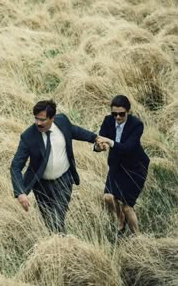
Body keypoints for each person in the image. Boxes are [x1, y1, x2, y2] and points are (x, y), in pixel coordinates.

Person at [10, 99, 98, 234]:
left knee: (57, 219)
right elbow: (16, 165)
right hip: (41, 185)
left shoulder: (62, 121)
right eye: (36, 119)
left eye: (42, 120)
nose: (38, 123)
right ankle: (59, 245)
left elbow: (75, 130)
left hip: (64, 180)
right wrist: (20, 192)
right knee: (49, 222)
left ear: (52, 118)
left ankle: (61, 245)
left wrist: (95, 138)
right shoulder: (28, 136)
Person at [95, 95, 150, 236]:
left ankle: (137, 237)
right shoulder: (108, 121)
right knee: (107, 197)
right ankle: (119, 218)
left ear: (128, 112)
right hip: (116, 165)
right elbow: (100, 140)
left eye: (121, 114)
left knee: (127, 207)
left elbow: (128, 148)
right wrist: (99, 146)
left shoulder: (136, 125)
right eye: (114, 114)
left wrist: (110, 142)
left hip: (136, 167)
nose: (118, 117)